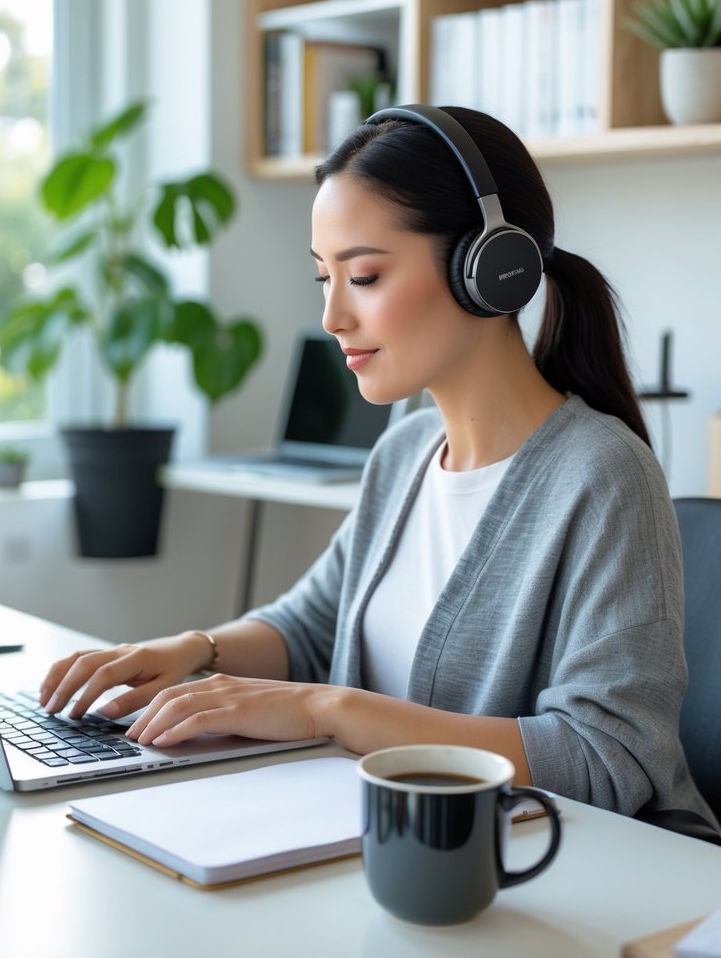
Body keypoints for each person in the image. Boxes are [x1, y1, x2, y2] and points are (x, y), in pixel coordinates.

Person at [39, 103, 713, 824]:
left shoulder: (601, 473)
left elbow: (606, 758)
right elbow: (310, 627)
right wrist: (193, 649)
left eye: (362, 276)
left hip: (571, 880)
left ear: (488, 269)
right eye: (321, 278)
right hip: (403, 848)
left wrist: (328, 709)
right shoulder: (403, 451)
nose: (332, 317)